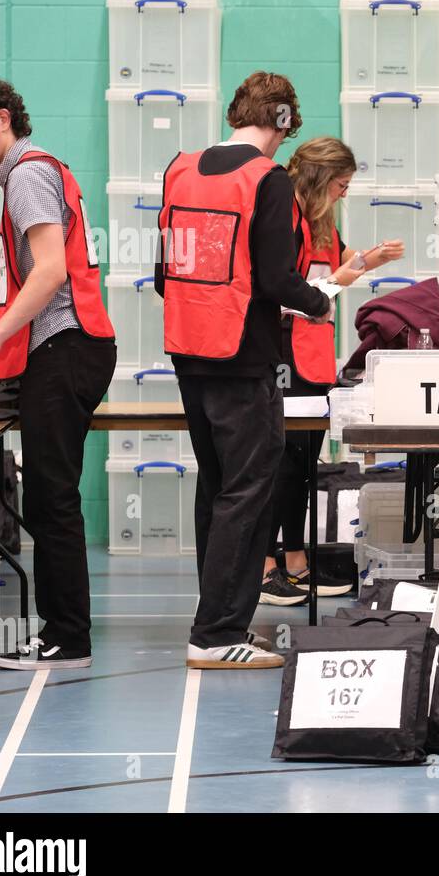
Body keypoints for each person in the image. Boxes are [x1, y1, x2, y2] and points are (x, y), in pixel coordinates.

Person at [0, 75, 117, 670]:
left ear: (3, 118)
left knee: (52, 499)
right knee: (48, 498)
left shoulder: (28, 176)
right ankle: (65, 633)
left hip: (67, 345)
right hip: (65, 348)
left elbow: (50, 273)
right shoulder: (31, 173)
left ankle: (68, 639)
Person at [156, 72, 333, 668]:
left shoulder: (179, 168)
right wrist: (320, 301)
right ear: (281, 121)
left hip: (187, 349)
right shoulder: (268, 180)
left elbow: (164, 274)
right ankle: (216, 634)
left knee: (218, 485)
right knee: (249, 490)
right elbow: (278, 279)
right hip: (242, 354)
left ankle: (215, 622)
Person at [259, 137, 404, 607]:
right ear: (320, 179)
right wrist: (353, 271)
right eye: (341, 184)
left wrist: (364, 262)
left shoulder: (321, 222)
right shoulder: (285, 219)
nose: (344, 193)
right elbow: (290, 291)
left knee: (303, 465)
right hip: (283, 354)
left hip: (315, 355)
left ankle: (296, 561)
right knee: (278, 464)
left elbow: (333, 274)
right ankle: (265, 566)